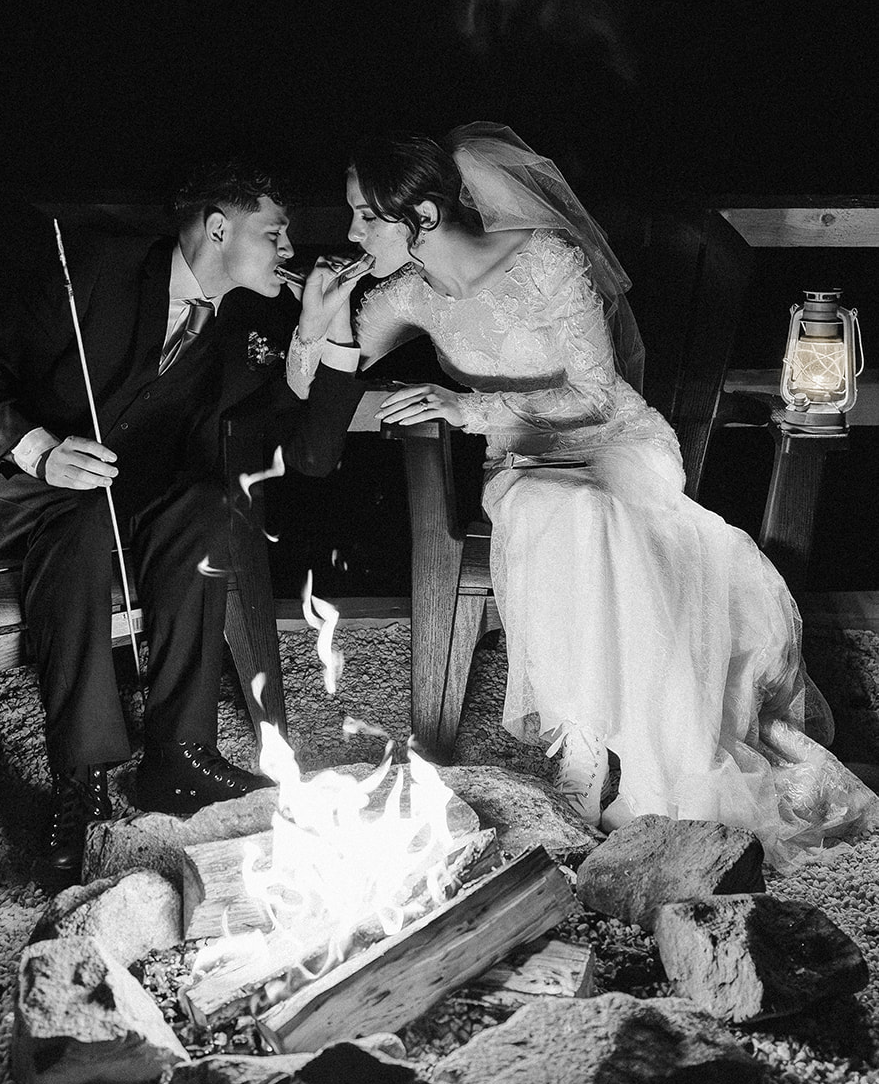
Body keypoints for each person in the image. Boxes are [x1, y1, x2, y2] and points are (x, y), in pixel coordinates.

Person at [289, 122, 879, 869]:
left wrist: (465, 407)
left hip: (615, 446)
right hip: (526, 468)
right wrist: (317, 317)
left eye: (364, 215)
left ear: (425, 217)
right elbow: (315, 386)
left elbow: (595, 395)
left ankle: (600, 747)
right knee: (558, 510)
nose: (350, 231)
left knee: (593, 510)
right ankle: (584, 742)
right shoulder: (408, 293)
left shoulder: (545, 259)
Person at [0, 161, 368, 885]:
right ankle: (78, 776)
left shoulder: (249, 313)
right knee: (83, 519)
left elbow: (304, 450)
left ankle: (177, 760)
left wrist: (314, 329)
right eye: (274, 234)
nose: (287, 251)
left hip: (122, 494)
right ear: (219, 228)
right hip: (9, 483)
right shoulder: (96, 265)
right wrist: (42, 452)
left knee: (208, 507)